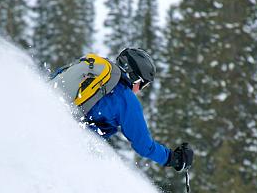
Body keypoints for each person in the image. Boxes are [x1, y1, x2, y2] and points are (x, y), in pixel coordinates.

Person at [52, 47, 193, 172]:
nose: (139, 90)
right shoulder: (126, 99)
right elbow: (143, 145)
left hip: (56, 119)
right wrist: (173, 158)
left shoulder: (95, 69)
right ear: (136, 79)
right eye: (143, 85)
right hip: (75, 143)